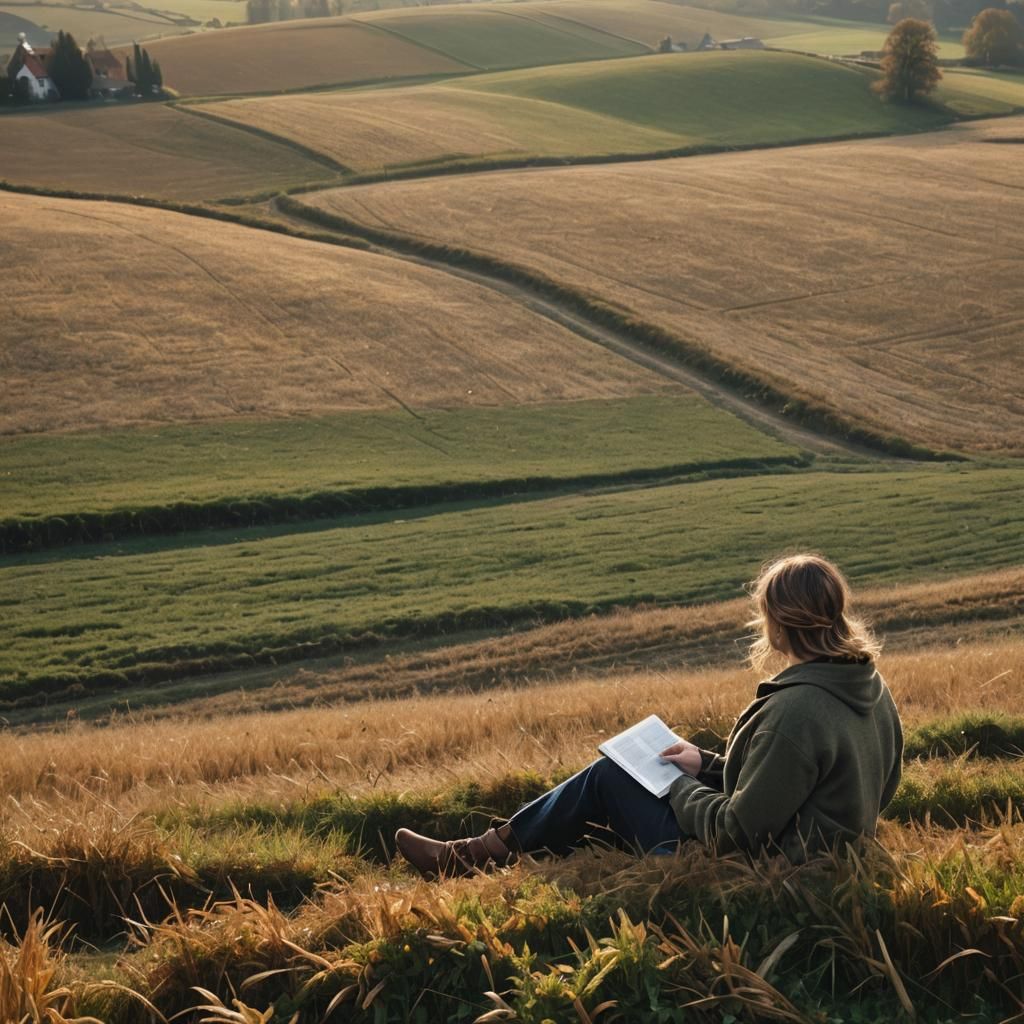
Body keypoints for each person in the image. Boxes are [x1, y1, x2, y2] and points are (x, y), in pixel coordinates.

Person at [395, 553, 904, 877]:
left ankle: (473, 855)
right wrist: (703, 764)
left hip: (758, 873)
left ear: (776, 624)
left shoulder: (797, 712)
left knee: (609, 777)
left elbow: (736, 834)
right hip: (825, 858)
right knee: (626, 782)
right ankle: (498, 849)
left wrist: (677, 788)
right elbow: (814, 784)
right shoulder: (869, 686)